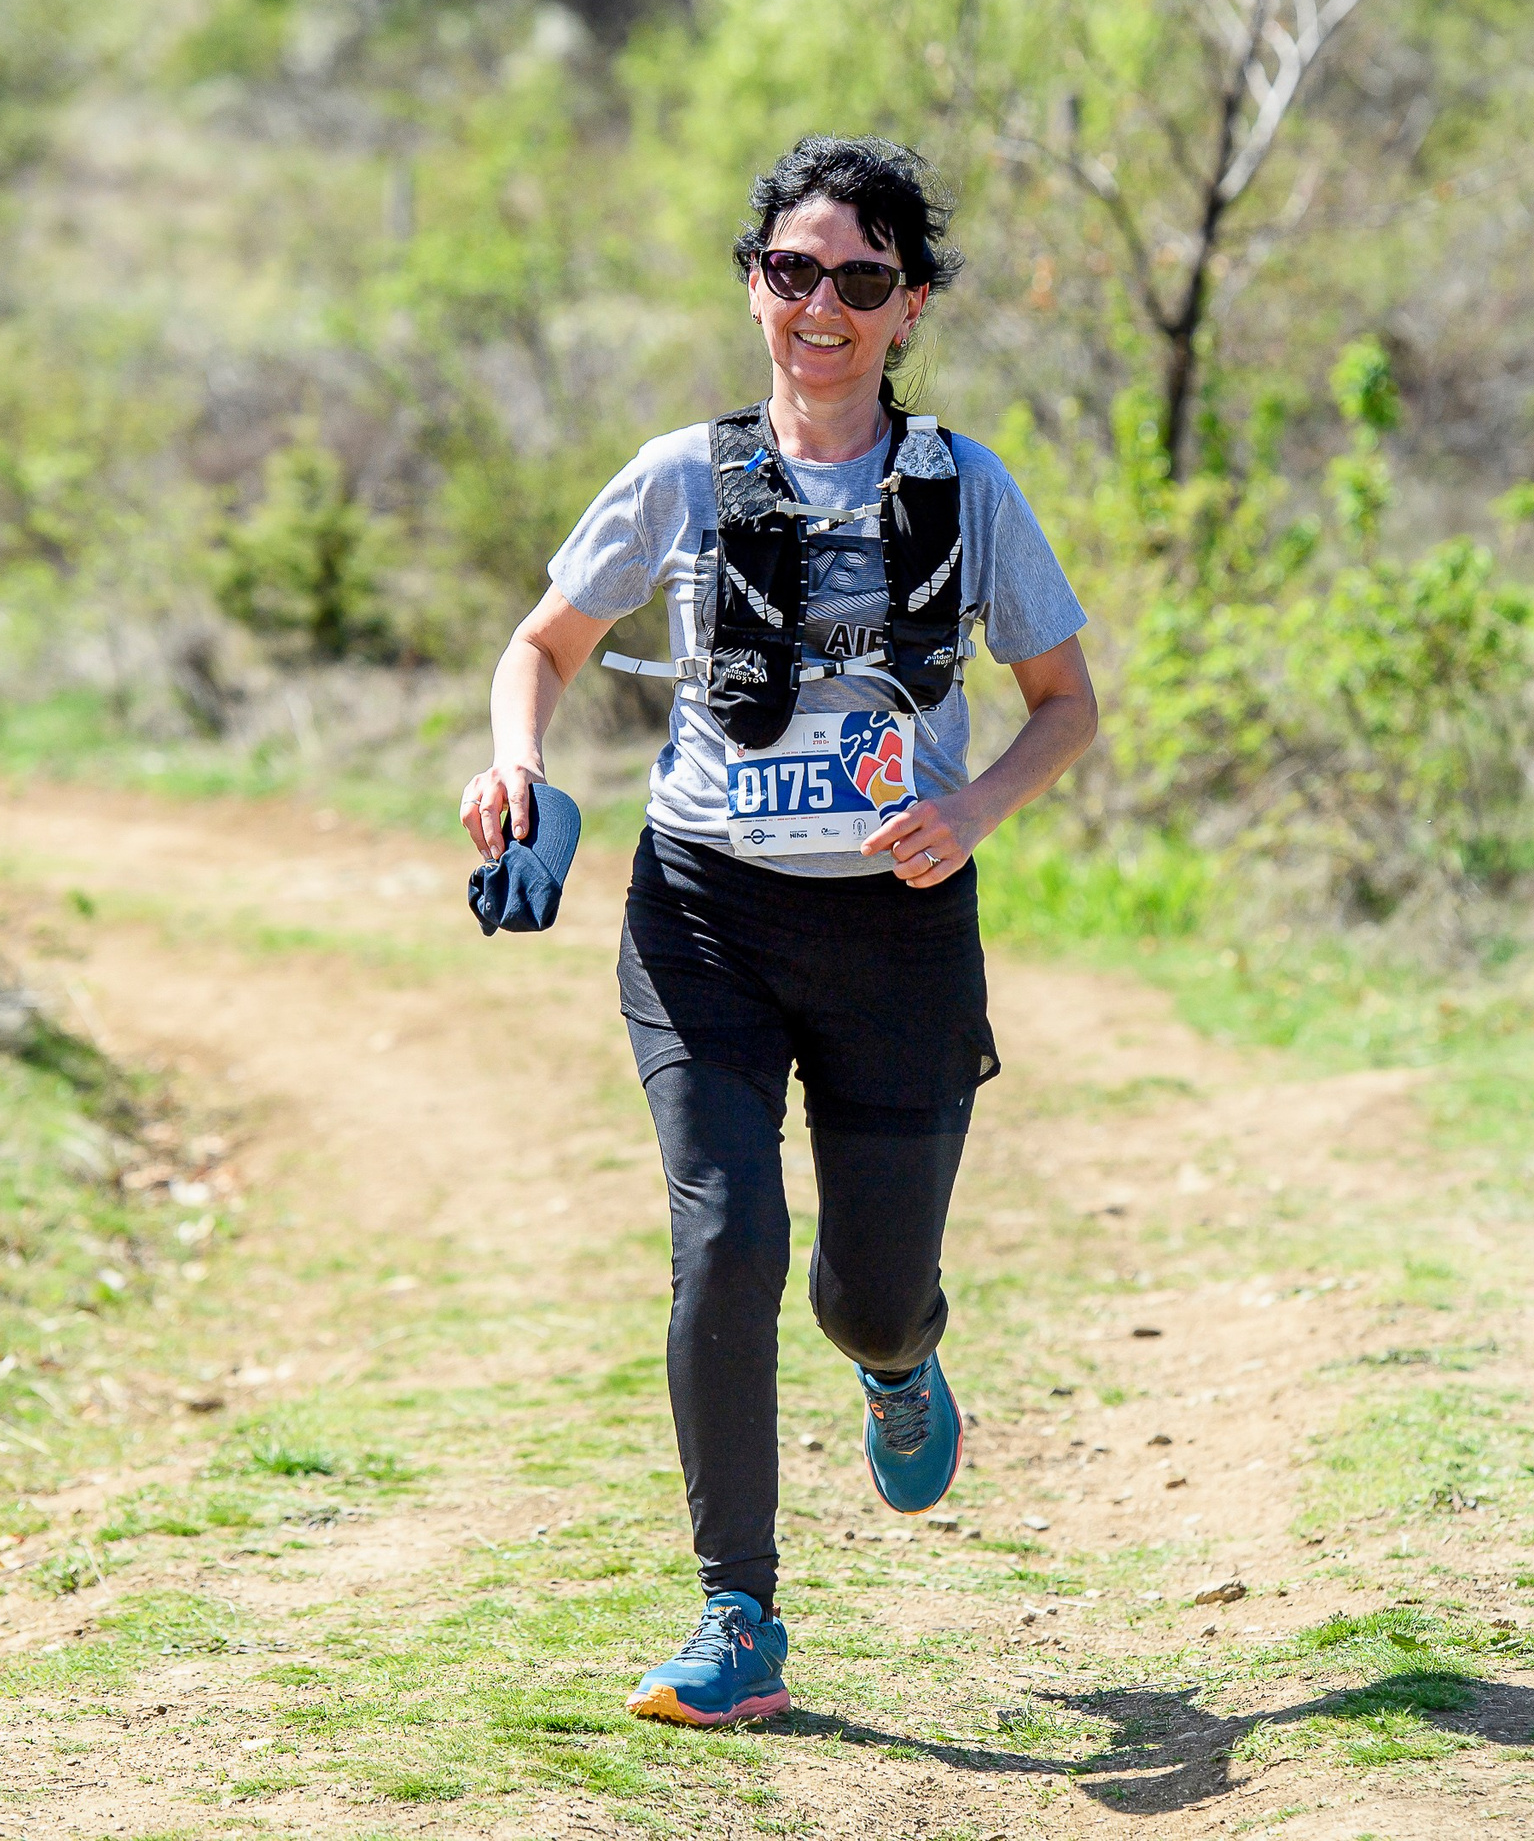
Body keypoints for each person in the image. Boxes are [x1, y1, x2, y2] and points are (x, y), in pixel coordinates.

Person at [457, 136, 1097, 1728]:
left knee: (869, 1295)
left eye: (861, 279)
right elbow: (538, 649)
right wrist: (517, 760)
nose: (823, 304)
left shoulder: (964, 486)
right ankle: (737, 1617)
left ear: (909, 306)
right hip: (706, 922)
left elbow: (1066, 708)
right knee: (729, 1237)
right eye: (793, 271)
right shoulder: (680, 473)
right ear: (755, 288)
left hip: (898, 935)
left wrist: (978, 811)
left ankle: (896, 1362)